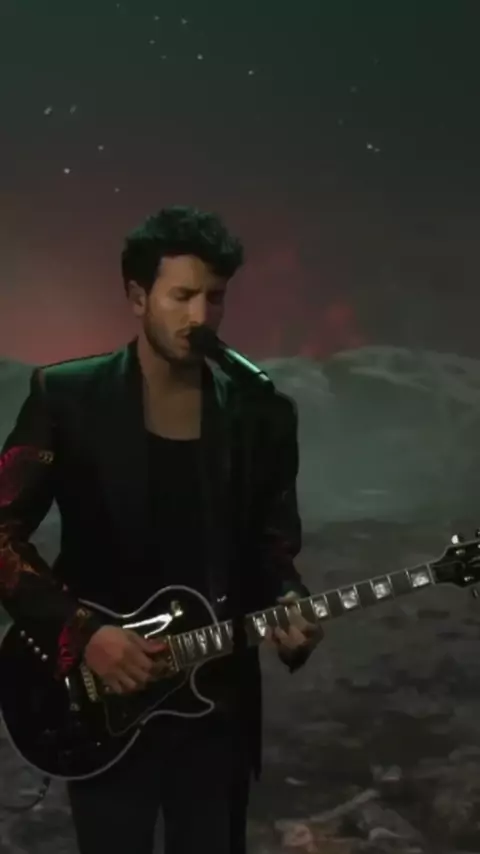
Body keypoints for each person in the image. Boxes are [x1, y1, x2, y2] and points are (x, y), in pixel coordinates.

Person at [0, 205, 323, 854]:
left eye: (215, 298)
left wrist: (290, 604)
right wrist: (83, 636)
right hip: (101, 703)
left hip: (219, 708)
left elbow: (272, 548)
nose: (201, 316)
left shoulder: (262, 416)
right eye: (182, 296)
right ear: (137, 296)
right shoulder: (67, 397)